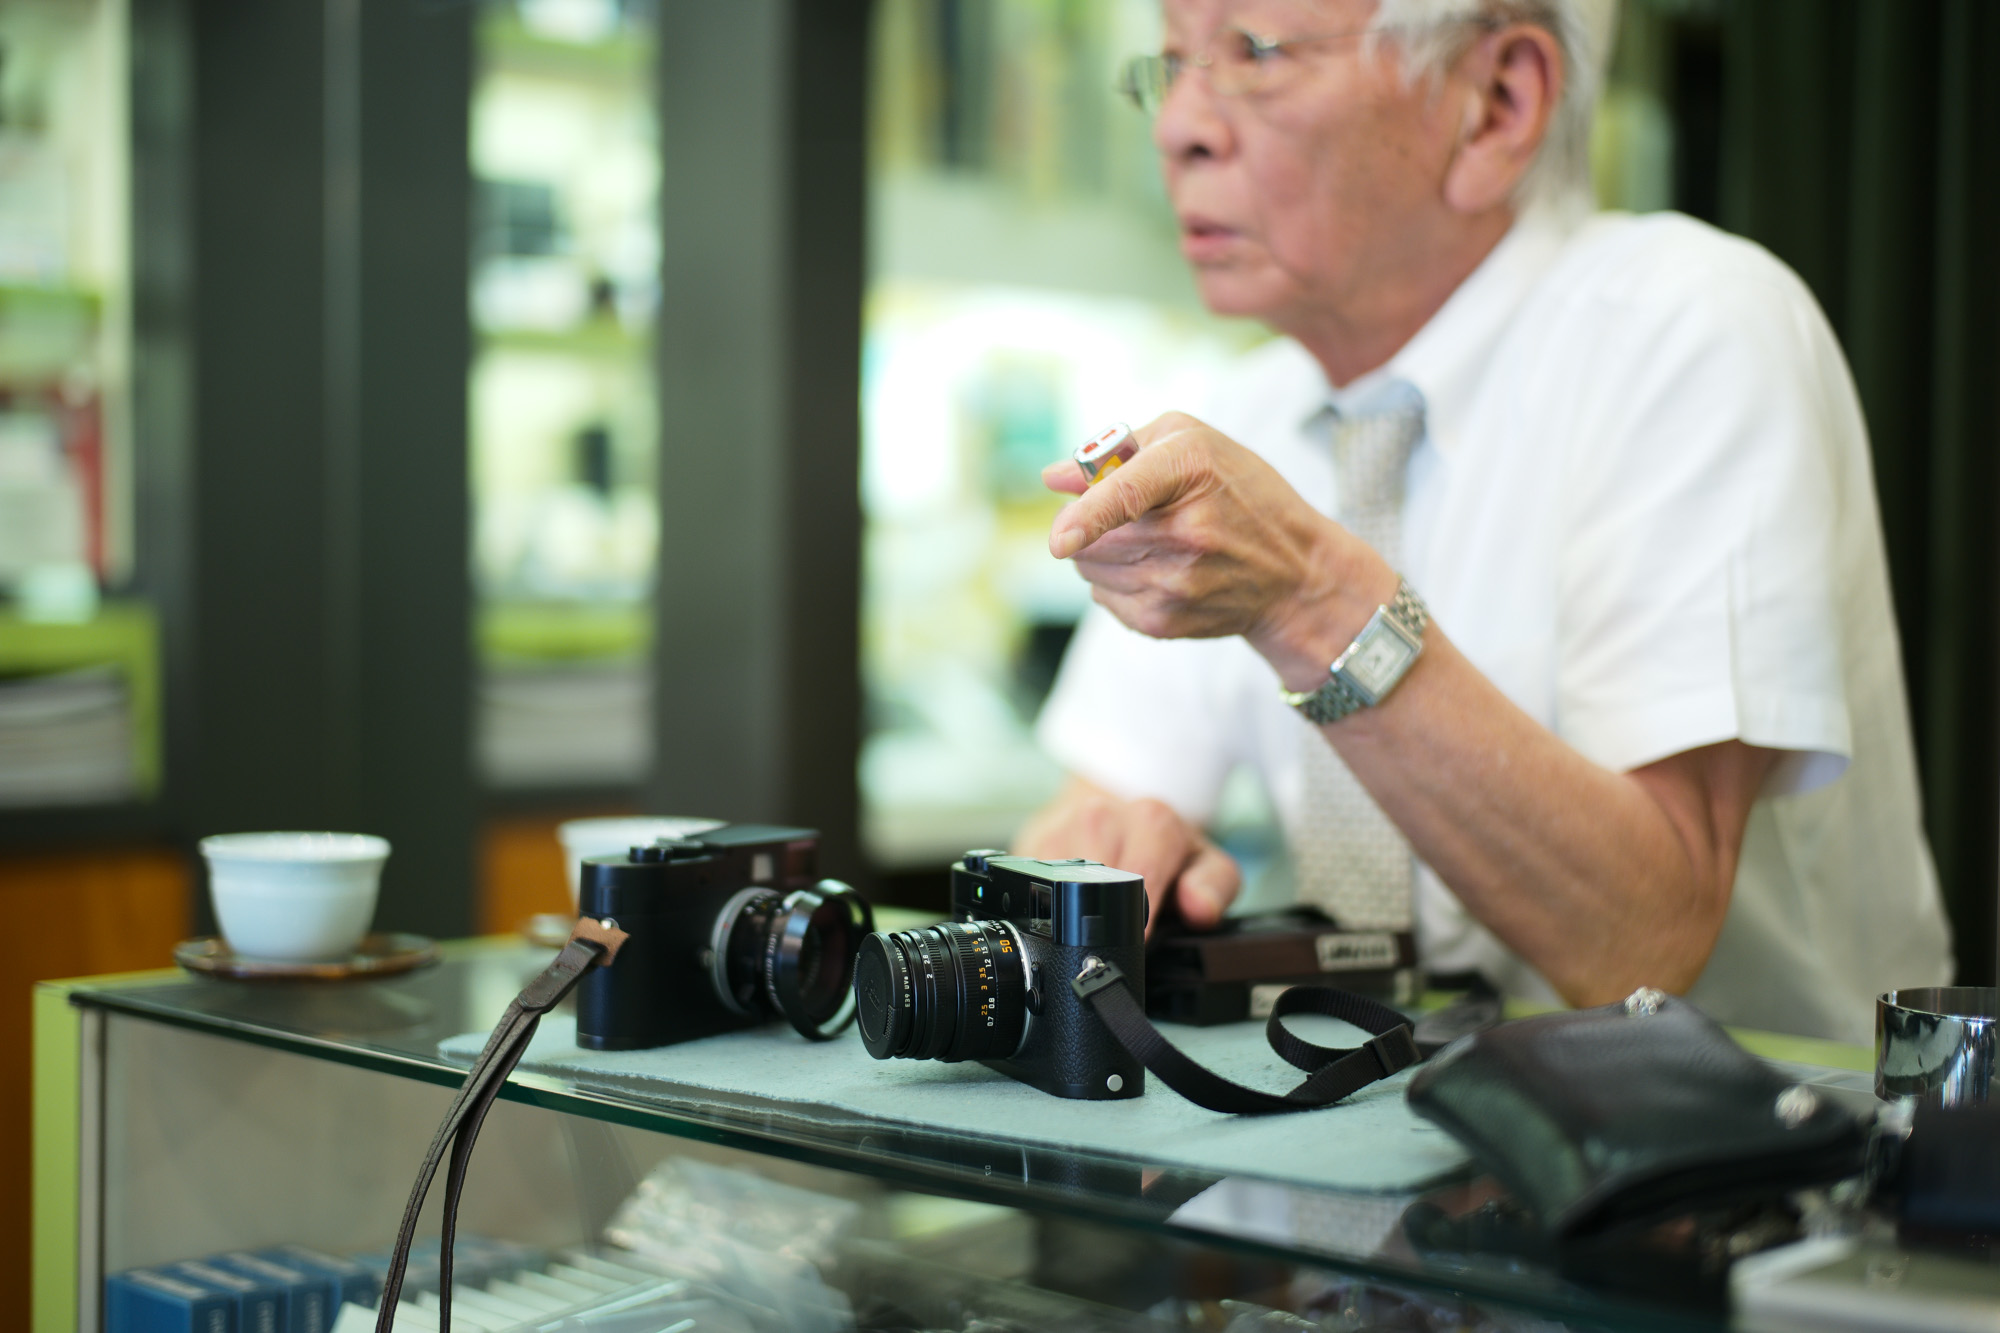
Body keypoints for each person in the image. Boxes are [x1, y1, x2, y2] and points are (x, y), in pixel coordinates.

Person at [1014, 0, 1952, 1042]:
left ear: (1495, 104)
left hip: (1757, 1163)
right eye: (1170, 63)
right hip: (1365, 1143)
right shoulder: (1244, 412)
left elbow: (1642, 949)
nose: (1175, 126)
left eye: (1254, 53)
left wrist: (1312, 602)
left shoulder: (1687, 328)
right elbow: (1094, 815)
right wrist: (1110, 859)